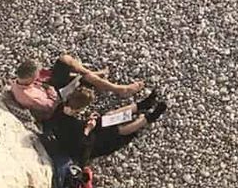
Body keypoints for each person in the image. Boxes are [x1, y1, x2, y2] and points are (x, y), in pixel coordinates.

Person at [47, 86, 167, 168]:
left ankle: (142, 105)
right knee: (117, 131)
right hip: (84, 146)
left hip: (82, 132)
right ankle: (148, 118)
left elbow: (71, 124)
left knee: (109, 117)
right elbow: (82, 146)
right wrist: (88, 129)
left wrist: (89, 122)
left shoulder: (61, 108)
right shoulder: (73, 125)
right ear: (78, 109)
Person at [10, 55, 146, 118]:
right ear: (29, 78)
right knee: (83, 78)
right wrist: (49, 89)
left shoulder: (20, 81)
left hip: (46, 85)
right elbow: (52, 106)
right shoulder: (32, 97)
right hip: (56, 95)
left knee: (65, 59)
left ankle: (92, 75)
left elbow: (39, 80)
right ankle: (119, 89)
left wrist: (42, 82)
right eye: (36, 74)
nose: (38, 74)